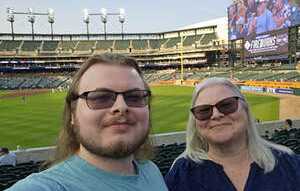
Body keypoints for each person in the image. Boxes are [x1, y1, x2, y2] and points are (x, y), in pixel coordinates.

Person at [8, 53, 168, 191]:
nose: (121, 107)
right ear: (72, 115)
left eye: (135, 96)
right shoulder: (44, 187)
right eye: (100, 97)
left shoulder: (152, 171)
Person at [165, 77, 300, 191]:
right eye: (204, 110)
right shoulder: (180, 175)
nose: (216, 115)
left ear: (245, 109)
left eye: (226, 105)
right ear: (195, 121)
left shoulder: (289, 164)